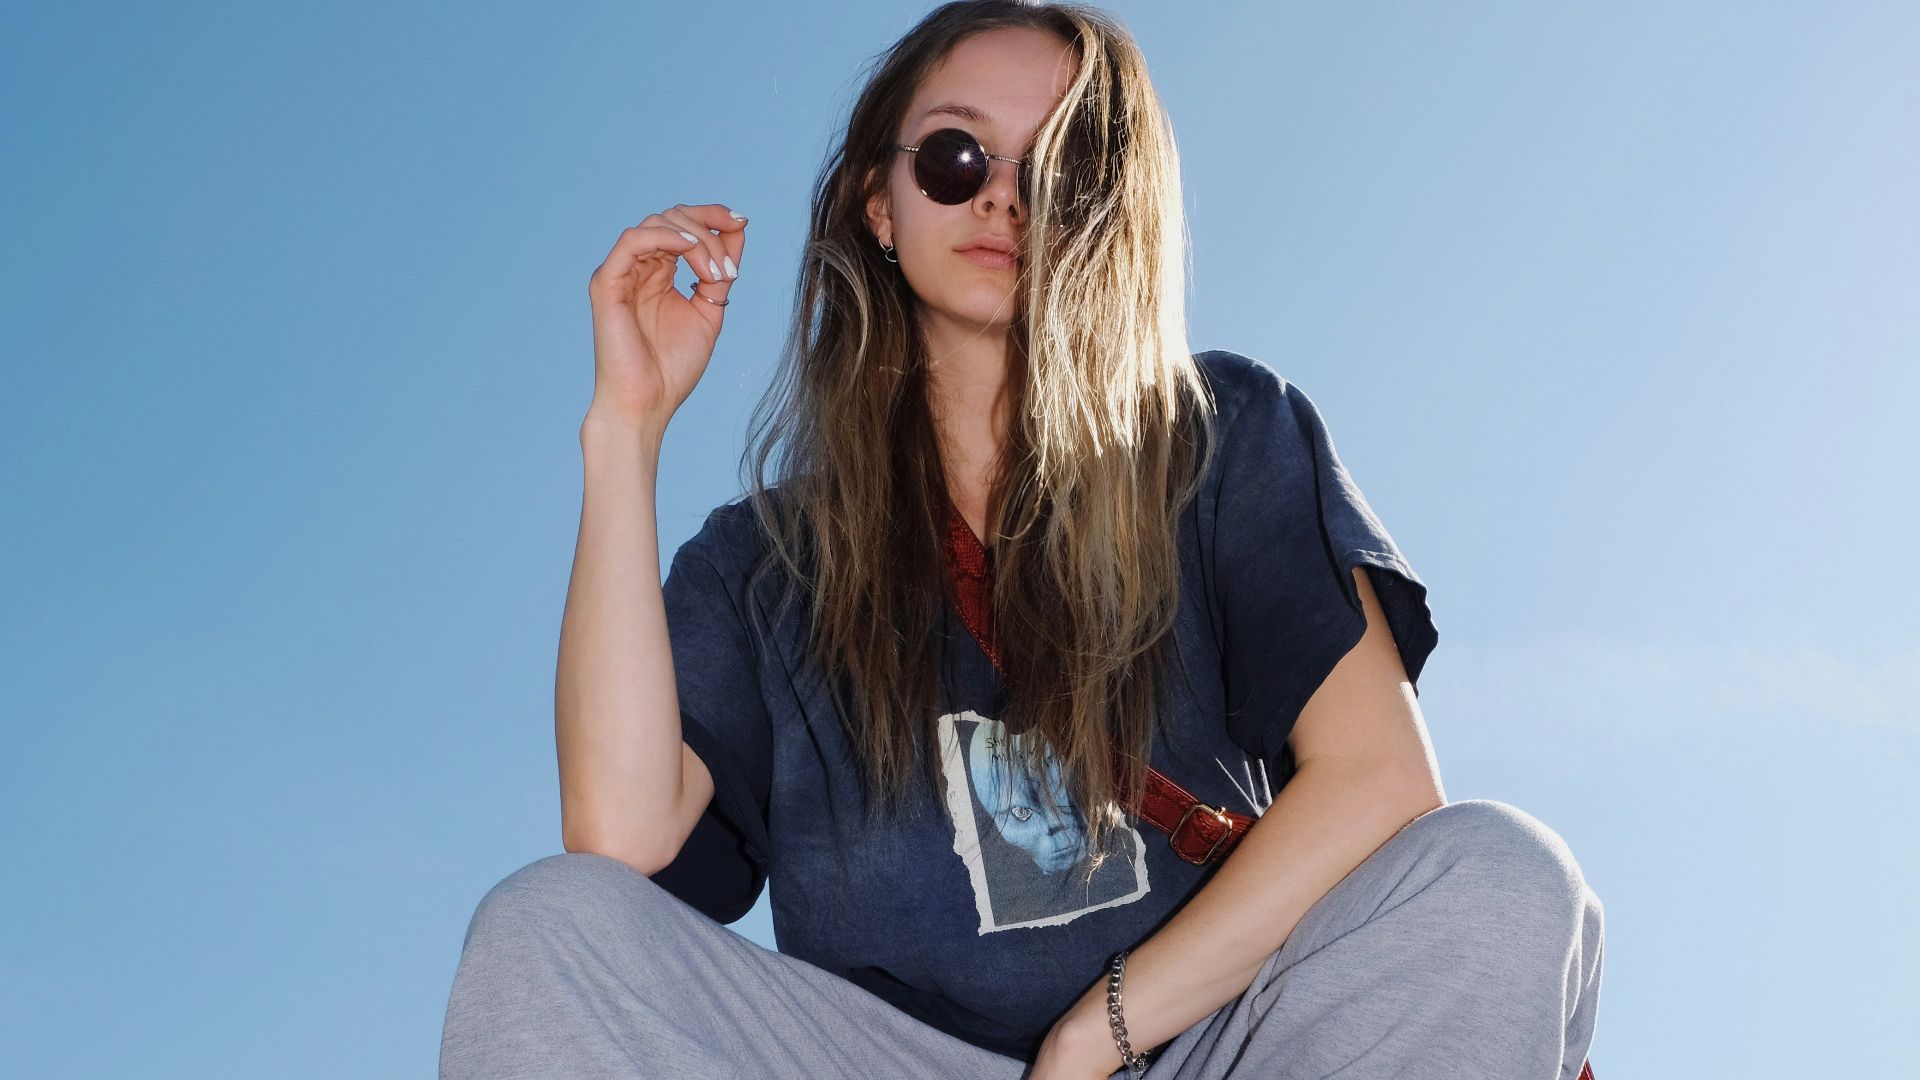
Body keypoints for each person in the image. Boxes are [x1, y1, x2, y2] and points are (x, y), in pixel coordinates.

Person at [437, 2, 1605, 1078]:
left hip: (1214, 1043)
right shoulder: (762, 565)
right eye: (956, 156)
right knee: (547, 925)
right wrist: (624, 428)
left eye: (1062, 168)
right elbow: (618, 832)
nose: (1005, 197)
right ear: (878, 205)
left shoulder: (1216, 436)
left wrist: (1091, 1038)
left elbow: (1382, 782)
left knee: (1500, 876)